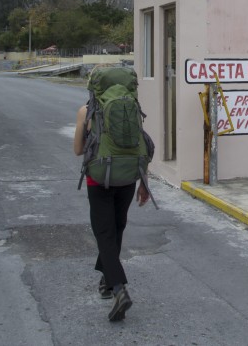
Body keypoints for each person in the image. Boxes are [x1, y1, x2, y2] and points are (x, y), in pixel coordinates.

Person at [74, 76, 150, 323]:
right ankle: (106, 281)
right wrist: (144, 183)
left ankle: (119, 289)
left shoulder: (86, 111)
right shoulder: (132, 108)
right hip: (127, 178)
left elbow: (77, 150)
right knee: (116, 229)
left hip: (99, 180)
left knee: (104, 234)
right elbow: (140, 145)